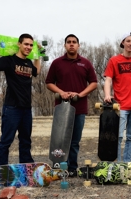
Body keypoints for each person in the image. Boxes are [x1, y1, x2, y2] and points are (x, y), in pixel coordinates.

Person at [0, 33, 41, 166]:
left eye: (31, 45)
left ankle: (26, 166)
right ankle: (0, 168)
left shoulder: (29, 62)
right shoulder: (9, 60)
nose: (28, 47)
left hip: (26, 108)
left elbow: (37, 71)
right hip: (12, 108)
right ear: (19, 44)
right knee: (6, 140)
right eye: (26, 44)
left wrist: (38, 55)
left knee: (26, 140)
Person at [45, 34, 97, 176]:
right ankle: (59, 166)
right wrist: (61, 92)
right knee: (60, 139)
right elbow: (49, 82)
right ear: (65, 45)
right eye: (69, 42)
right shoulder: (57, 63)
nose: (71, 44)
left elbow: (94, 83)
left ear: (78, 45)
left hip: (79, 108)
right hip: (61, 108)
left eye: (74, 42)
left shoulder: (85, 63)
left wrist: (81, 94)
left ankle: (72, 168)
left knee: (74, 141)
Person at [104, 31, 131, 162]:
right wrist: (107, 95)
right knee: (118, 136)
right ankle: (118, 164)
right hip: (121, 105)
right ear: (123, 42)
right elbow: (108, 80)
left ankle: (127, 164)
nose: (130, 44)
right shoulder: (114, 60)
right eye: (128, 41)